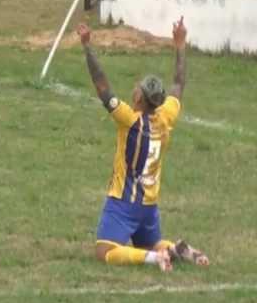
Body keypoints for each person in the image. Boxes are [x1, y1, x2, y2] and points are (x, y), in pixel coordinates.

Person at [77, 18, 209, 272]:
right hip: (149, 206)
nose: (134, 89)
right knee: (151, 243)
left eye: (137, 89)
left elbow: (102, 86)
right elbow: (179, 83)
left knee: (105, 251)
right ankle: (174, 250)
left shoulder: (129, 119)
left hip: (124, 202)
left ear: (139, 98)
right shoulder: (166, 116)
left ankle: (155, 258)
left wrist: (87, 48)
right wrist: (180, 44)